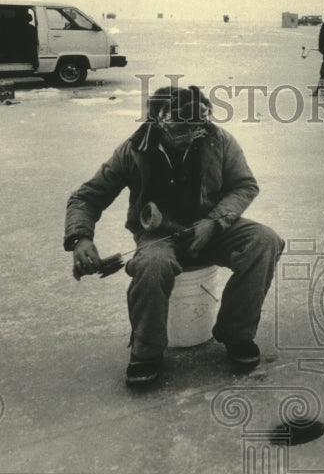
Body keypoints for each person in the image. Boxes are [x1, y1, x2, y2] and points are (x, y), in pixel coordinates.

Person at [64, 86, 284, 387]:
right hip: (160, 236)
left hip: (213, 226)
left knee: (265, 241)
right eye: (181, 129)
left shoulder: (218, 140)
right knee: (152, 266)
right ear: (158, 122)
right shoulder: (132, 150)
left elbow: (244, 186)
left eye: (198, 126)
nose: (192, 135)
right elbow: (87, 197)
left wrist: (214, 221)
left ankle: (237, 333)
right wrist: (81, 238)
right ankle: (146, 352)